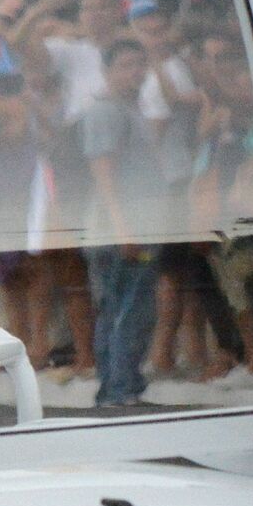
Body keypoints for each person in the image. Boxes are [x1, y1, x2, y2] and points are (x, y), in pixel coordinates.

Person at [81, 39, 162, 408]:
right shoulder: (106, 112)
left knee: (127, 308)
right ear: (107, 71)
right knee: (125, 310)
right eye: (126, 65)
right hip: (119, 229)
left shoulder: (132, 110)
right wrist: (122, 228)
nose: (136, 72)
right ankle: (117, 388)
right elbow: (103, 172)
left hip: (136, 225)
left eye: (140, 64)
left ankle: (120, 386)